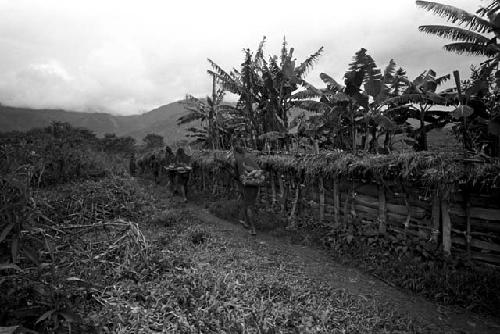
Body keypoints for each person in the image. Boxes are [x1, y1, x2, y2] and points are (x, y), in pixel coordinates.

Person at [233, 144, 261, 236]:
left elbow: (237, 177)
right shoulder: (251, 158)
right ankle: (245, 222)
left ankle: (253, 229)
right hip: (256, 184)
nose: (234, 156)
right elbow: (259, 171)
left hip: (247, 186)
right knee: (247, 203)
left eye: (234, 154)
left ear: (236, 153)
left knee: (248, 206)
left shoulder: (238, 161)